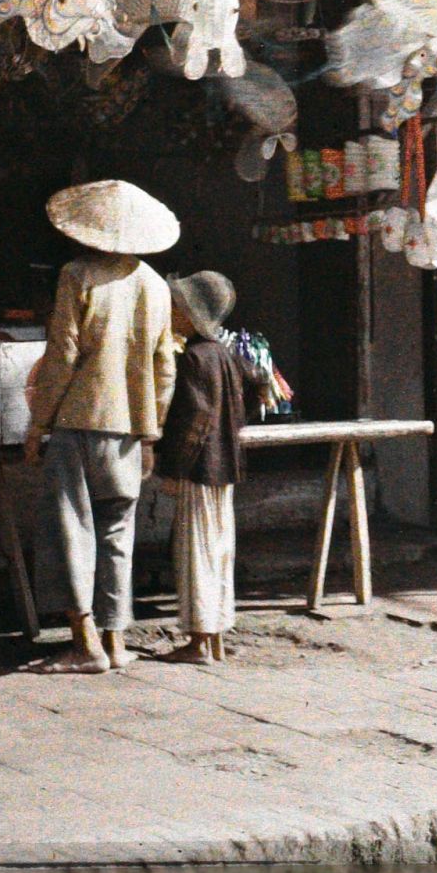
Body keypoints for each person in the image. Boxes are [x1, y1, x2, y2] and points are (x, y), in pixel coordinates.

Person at [26, 180, 181, 674]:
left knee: (72, 528)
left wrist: (38, 423)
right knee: (117, 532)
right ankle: (115, 641)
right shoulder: (155, 286)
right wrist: (151, 432)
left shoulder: (77, 276)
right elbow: (165, 368)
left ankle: (85, 642)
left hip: (78, 422)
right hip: (129, 429)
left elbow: (61, 356)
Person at [154, 271, 249, 664]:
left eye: (177, 307)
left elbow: (196, 418)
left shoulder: (194, 357)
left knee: (196, 554)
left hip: (199, 469)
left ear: (192, 314)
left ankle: (198, 643)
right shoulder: (222, 354)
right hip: (222, 468)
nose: (172, 313)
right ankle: (215, 638)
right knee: (218, 551)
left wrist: (174, 468)